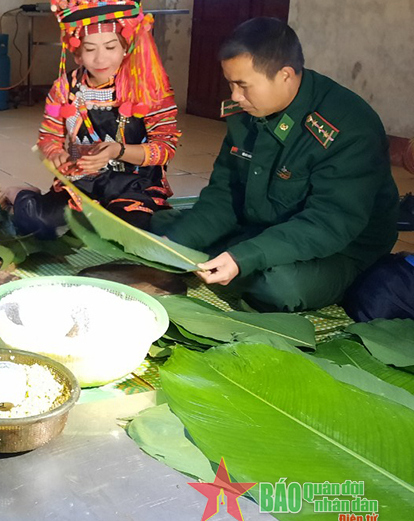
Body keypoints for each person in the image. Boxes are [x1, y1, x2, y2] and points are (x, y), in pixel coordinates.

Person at [152, 17, 399, 312]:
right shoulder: (246, 111)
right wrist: (176, 244)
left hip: (339, 247)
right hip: (264, 224)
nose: (234, 96)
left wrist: (243, 256)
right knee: (166, 230)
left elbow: (330, 224)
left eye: (243, 85)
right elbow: (225, 194)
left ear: (284, 75)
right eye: (230, 84)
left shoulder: (348, 126)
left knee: (280, 287)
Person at [12, 0, 180, 238]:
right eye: (90, 49)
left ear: (126, 46)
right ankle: (20, 195)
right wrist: (56, 153)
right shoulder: (63, 89)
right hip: (81, 182)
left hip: (134, 183)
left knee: (129, 231)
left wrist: (119, 150)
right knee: (38, 222)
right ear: (76, 52)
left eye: (110, 47)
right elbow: (48, 136)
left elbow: (165, 148)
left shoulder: (150, 88)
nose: (100, 58)